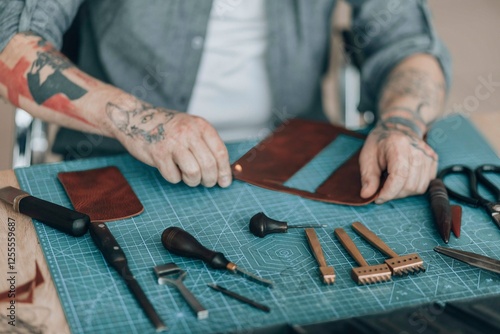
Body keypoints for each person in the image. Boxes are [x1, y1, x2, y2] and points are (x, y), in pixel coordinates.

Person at [0, 0, 451, 203]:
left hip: (299, 157)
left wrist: (401, 124)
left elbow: (407, 42)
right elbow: (11, 49)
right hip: (119, 160)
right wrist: (138, 120)